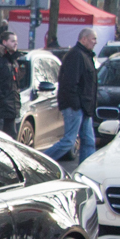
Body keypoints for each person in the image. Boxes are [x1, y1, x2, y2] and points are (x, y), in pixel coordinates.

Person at [43, 28, 98, 163]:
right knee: (69, 141)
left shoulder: (85, 55)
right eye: (93, 39)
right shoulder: (76, 55)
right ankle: (41, 162)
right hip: (76, 106)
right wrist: (75, 104)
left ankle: (86, 171)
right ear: (83, 39)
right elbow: (70, 82)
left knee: (89, 141)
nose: (95, 42)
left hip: (84, 106)